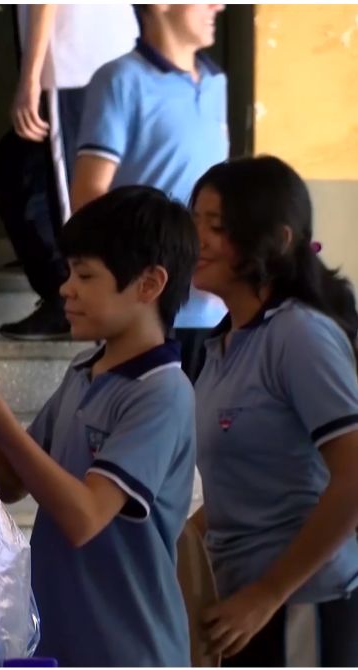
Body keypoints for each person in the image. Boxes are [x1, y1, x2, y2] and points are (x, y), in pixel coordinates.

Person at [0, 186, 198, 665]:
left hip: (129, 647)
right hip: (63, 637)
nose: (65, 288)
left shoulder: (161, 393)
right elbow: (14, 477)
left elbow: (84, 518)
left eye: (85, 275)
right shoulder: (85, 370)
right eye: (68, 272)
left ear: (149, 285)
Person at [188, 156, 358, 666]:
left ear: (277, 239)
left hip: (300, 605)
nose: (195, 240)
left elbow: (353, 475)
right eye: (193, 221)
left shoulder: (298, 334)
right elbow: (247, 483)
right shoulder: (222, 347)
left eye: (215, 226)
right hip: (239, 610)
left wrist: (269, 592)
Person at [70, 3, 227, 378]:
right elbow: (90, 193)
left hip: (216, 305)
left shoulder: (215, 81)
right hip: (151, 312)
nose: (218, 6)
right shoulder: (121, 79)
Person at [0, 4, 138, 341]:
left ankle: (82, 304)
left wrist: (29, 80)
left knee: (73, 202)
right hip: (102, 53)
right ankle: (66, 294)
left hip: (72, 61)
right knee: (13, 165)